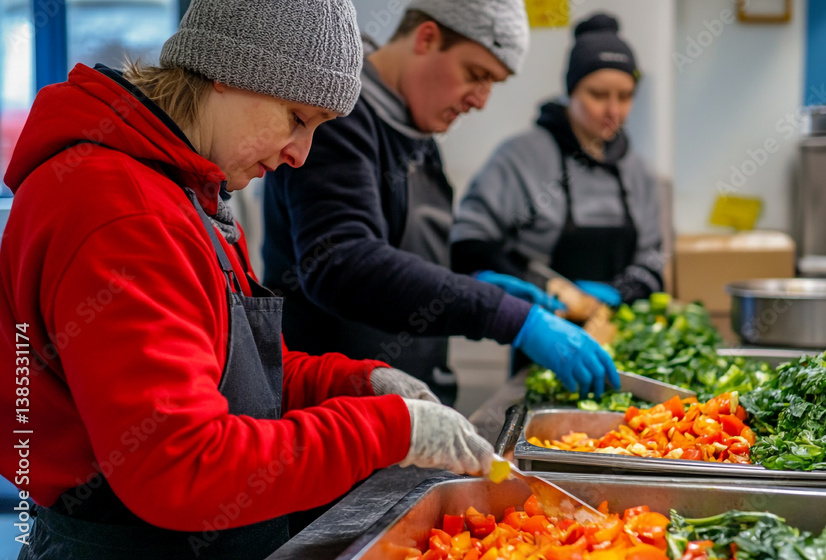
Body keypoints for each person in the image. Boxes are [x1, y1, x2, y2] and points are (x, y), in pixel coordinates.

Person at [0, 1, 498, 558]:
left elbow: (245, 378)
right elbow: (181, 466)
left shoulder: (190, 193)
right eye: (297, 118)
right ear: (227, 71)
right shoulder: (123, 213)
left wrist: (363, 384)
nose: (301, 155)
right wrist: (386, 431)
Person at [262, 0, 620, 406]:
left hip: (410, 402)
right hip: (337, 412)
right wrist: (505, 315)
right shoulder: (338, 117)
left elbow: (409, 259)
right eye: (477, 74)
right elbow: (343, 263)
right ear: (427, 38)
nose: (481, 100)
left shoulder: (417, 131)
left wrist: (477, 284)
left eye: (493, 83)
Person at [450, 13, 665, 307]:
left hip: (614, 325)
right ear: (571, 92)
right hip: (534, 320)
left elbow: (653, 260)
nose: (613, 111)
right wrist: (532, 291)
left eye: (625, 96)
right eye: (598, 94)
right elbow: (468, 243)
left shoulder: (638, 172)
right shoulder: (520, 158)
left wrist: (619, 296)